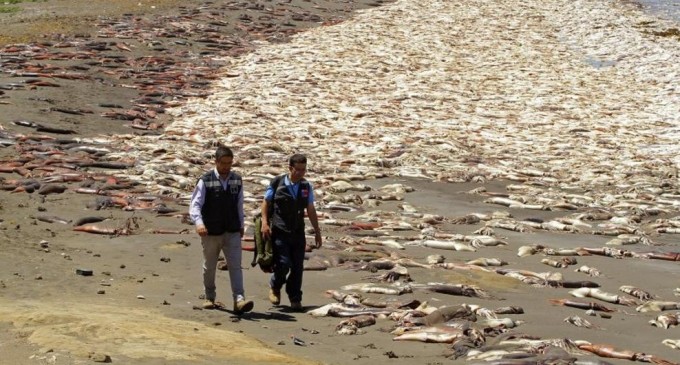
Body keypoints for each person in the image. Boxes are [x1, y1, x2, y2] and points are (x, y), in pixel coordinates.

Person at [189, 146, 254, 314]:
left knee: (235, 266)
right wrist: (199, 223)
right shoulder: (205, 180)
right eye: (223, 163)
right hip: (211, 231)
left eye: (229, 163)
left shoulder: (236, 180)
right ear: (216, 162)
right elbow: (195, 205)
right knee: (209, 266)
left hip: (231, 230)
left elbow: (239, 204)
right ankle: (209, 297)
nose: (226, 167)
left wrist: (241, 224)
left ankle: (239, 299)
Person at [260, 153, 322, 312]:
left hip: (297, 231)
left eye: (304, 170)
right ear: (290, 168)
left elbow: (310, 209)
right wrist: (265, 223)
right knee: (283, 263)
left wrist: (317, 231)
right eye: (298, 170)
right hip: (280, 230)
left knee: (297, 267)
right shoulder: (277, 183)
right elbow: (266, 203)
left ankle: (295, 298)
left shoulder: (306, 187)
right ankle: (275, 285)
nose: (301, 173)